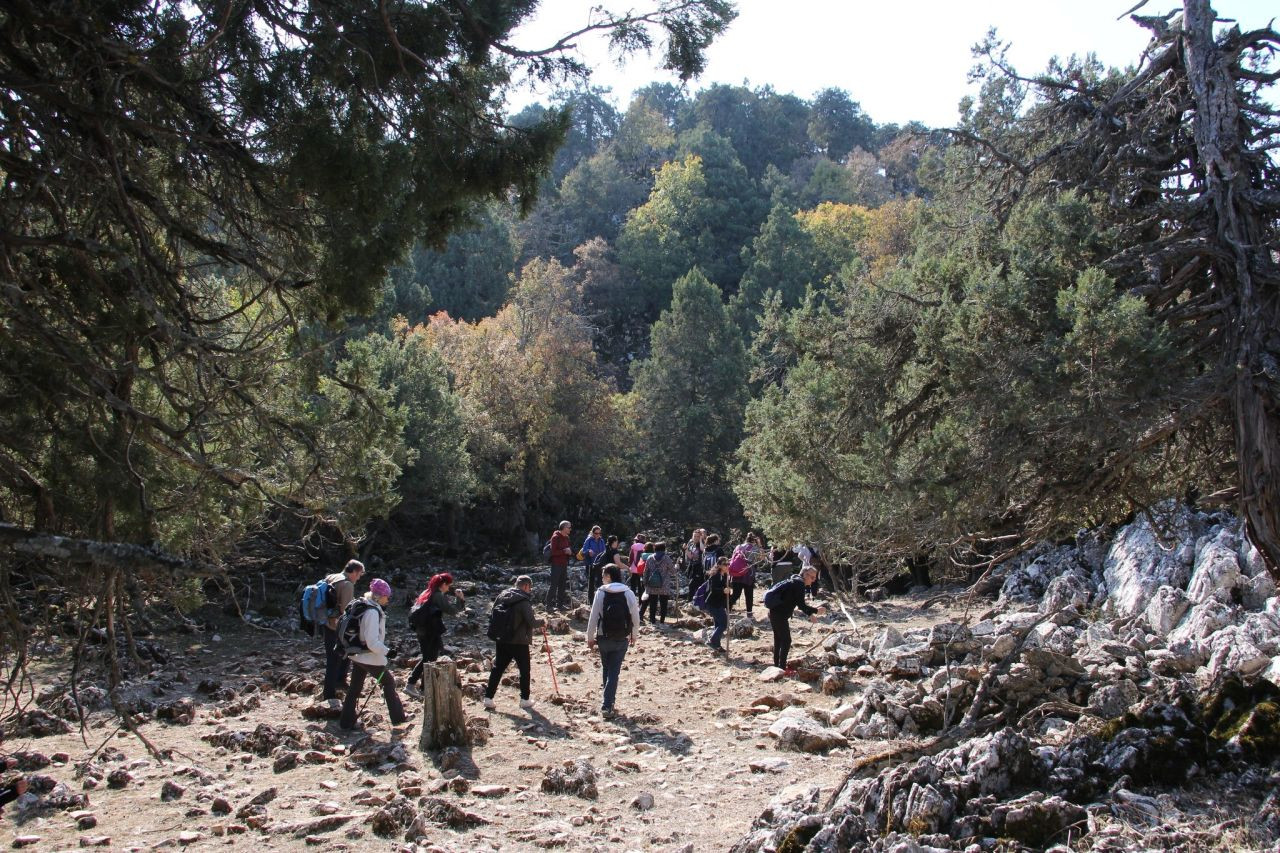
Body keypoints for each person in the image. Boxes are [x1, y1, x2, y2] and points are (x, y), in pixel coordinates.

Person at [339, 578, 408, 731]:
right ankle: (398, 718)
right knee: (389, 682)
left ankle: (346, 722)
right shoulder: (372, 612)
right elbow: (371, 642)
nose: (388, 599)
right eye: (386, 596)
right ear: (378, 596)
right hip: (369, 656)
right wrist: (388, 652)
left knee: (355, 688)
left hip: (357, 655)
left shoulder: (365, 605)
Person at [585, 564, 640, 718]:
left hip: (603, 636)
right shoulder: (628, 593)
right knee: (614, 671)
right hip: (622, 637)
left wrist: (590, 637)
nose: (602, 578)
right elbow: (635, 617)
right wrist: (634, 635)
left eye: (603, 575)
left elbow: (593, 616)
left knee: (607, 668)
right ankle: (608, 704)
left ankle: (608, 702)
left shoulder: (600, 593)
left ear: (609, 576)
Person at [484, 575, 546, 711]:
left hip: (502, 639)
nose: (530, 590)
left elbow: (492, 615)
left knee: (498, 668)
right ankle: (524, 699)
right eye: (530, 588)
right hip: (519, 641)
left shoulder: (502, 596)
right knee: (524, 670)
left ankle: (488, 698)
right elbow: (532, 622)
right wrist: (542, 622)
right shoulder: (524, 601)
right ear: (525, 586)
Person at [406, 572, 466, 697]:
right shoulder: (437, 595)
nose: (448, 588)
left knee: (429, 658)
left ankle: (424, 688)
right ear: (443, 584)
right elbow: (453, 610)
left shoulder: (426, 593)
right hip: (430, 631)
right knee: (428, 659)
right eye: (448, 585)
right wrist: (460, 599)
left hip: (422, 630)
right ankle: (411, 685)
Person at [322, 559, 365, 710]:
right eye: (359, 574)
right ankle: (329, 693)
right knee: (334, 659)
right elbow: (346, 611)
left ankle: (340, 681)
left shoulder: (331, 577)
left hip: (326, 623)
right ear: (353, 571)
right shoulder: (347, 584)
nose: (359, 578)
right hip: (337, 627)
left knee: (342, 655)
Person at [765, 566, 825, 672]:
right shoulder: (799, 584)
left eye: (815, 578)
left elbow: (797, 602)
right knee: (786, 640)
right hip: (779, 614)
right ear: (805, 575)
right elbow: (801, 605)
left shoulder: (795, 580)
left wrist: (810, 614)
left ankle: (777, 666)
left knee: (778, 639)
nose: (814, 580)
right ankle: (782, 668)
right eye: (812, 577)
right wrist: (816, 611)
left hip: (774, 612)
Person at [728, 533, 762, 617]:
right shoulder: (755, 548)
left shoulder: (738, 546)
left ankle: (727, 608)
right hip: (748, 574)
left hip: (736, 573)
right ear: (754, 540)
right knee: (749, 594)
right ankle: (749, 613)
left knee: (736, 594)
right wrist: (760, 545)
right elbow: (761, 558)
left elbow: (733, 558)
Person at [642, 541, 676, 624]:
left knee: (653, 603)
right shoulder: (666, 558)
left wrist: (645, 582)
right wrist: (676, 567)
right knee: (663, 604)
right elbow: (673, 571)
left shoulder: (650, 558)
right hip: (664, 585)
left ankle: (652, 620)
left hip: (652, 585)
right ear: (664, 549)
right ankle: (662, 621)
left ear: (655, 549)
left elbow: (645, 571)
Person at [705, 555, 731, 653]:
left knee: (718, 624)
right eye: (725, 564)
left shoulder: (724, 575)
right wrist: (723, 590)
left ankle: (717, 645)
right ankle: (712, 640)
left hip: (718, 603)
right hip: (713, 603)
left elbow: (726, 587)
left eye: (728, 564)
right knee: (724, 624)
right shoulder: (715, 575)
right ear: (719, 565)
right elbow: (713, 589)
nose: (727, 566)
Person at [546, 521, 573, 611]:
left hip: (564, 564)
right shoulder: (555, 537)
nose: (570, 529)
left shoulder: (567, 537)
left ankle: (560, 605)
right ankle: (548, 606)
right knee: (554, 585)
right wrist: (564, 551)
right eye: (569, 527)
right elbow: (553, 552)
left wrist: (569, 552)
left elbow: (568, 549)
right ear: (564, 528)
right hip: (556, 564)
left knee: (562, 585)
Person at [589, 534, 624, 600]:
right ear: (614, 542)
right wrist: (627, 568)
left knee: (604, 590)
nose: (617, 543)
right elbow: (618, 564)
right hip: (612, 574)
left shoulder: (606, 550)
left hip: (604, 573)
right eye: (617, 541)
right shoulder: (614, 551)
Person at [684, 529, 706, 600]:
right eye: (694, 536)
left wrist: (700, 540)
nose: (696, 538)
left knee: (693, 584)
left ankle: (691, 600)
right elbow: (690, 556)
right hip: (692, 566)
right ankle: (692, 600)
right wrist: (686, 549)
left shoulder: (702, 543)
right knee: (692, 585)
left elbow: (703, 550)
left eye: (697, 536)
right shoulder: (691, 544)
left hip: (700, 567)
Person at [627, 534, 648, 598]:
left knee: (633, 585)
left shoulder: (633, 546)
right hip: (642, 569)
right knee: (641, 586)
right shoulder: (645, 546)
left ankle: (632, 600)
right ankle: (641, 602)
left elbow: (631, 558)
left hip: (633, 569)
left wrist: (629, 566)